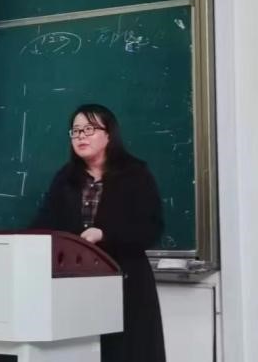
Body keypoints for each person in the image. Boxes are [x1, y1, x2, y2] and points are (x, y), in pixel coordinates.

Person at [32, 104, 166, 362]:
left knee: (128, 352)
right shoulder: (66, 178)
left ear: (109, 135)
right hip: (76, 286)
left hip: (126, 282)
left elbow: (150, 228)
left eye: (89, 129)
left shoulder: (135, 174)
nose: (80, 136)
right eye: (76, 131)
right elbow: (44, 222)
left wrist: (104, 234)